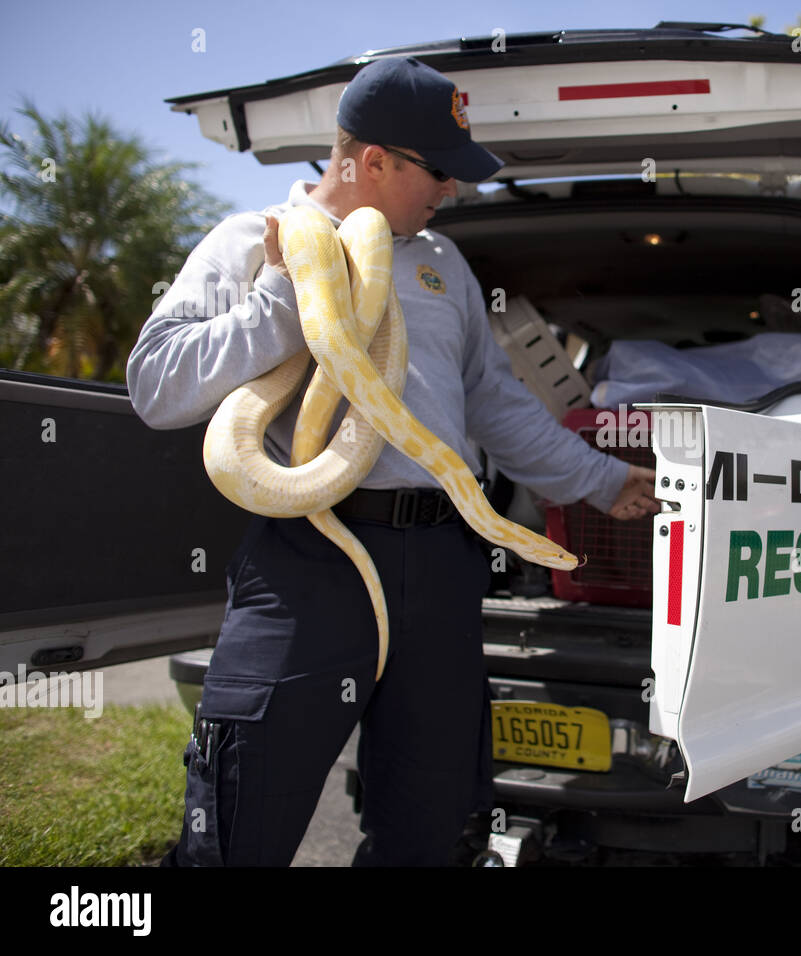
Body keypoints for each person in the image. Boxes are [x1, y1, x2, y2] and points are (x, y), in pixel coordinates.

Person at [126, 56, 659, 866]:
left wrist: (604, 479)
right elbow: (157, 385)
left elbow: (494, 402)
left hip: (442, 562)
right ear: (372, 161)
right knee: (239, 819)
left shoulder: (444, 263)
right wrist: (281, 296)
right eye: (440, 173)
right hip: (311, 554)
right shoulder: (250, 241)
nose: (452, 192)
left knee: (433, 824)